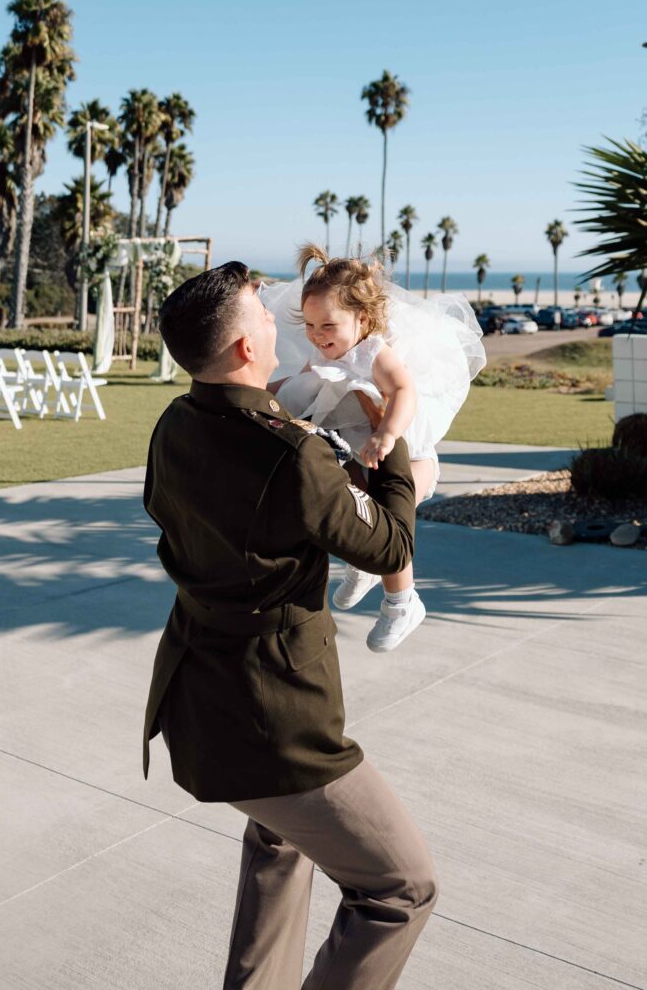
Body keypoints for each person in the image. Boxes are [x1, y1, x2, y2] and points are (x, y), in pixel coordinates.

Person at [142, 262, 438, 990]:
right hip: (279, 724)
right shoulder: (294, 453)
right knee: (400, 889)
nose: (279, 321)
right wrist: (389, 445)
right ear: (245, 349)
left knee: (278, 846)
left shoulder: (174, 425)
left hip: (196, 710)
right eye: (265, 314)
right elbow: (390, 547)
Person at [260, 244, 486, 651]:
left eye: (328, 325)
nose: (317, 335)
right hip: (355, 452)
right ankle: (365, 561)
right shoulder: (322, 351)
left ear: (361, 318)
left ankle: (403, 602)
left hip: (403, 453)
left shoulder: (373, 351)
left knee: (385, 514)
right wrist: (258, 391)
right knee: (352, 507)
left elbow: (403, 389)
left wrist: (388, 433)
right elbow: (296, 383)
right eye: (310, 326)